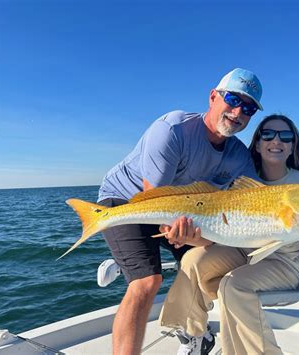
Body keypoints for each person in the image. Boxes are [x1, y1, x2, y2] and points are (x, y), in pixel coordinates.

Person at [97, 68, 264, 355]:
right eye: (233, 99)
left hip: (188, 214)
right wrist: (188, 237)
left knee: (207, 264)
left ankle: (195, 333)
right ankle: (131, 260)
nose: (238, 112)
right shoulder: (172, 129)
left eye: (248, 108)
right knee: (147, 280)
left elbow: (254, 203)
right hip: (128, 201)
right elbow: (155, 204)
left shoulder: (239, 156)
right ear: (213, 97)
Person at [159, 114, 299, 355]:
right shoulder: (242, 180)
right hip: (244, 252)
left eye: (286, 136)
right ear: (258, 144)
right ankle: (194, 336)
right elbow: (217, 234)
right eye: (268, 134)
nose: (276, 140)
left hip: (286, 262)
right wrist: (185, 236)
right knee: (192, 260)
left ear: (293, 146)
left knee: (233, 286)